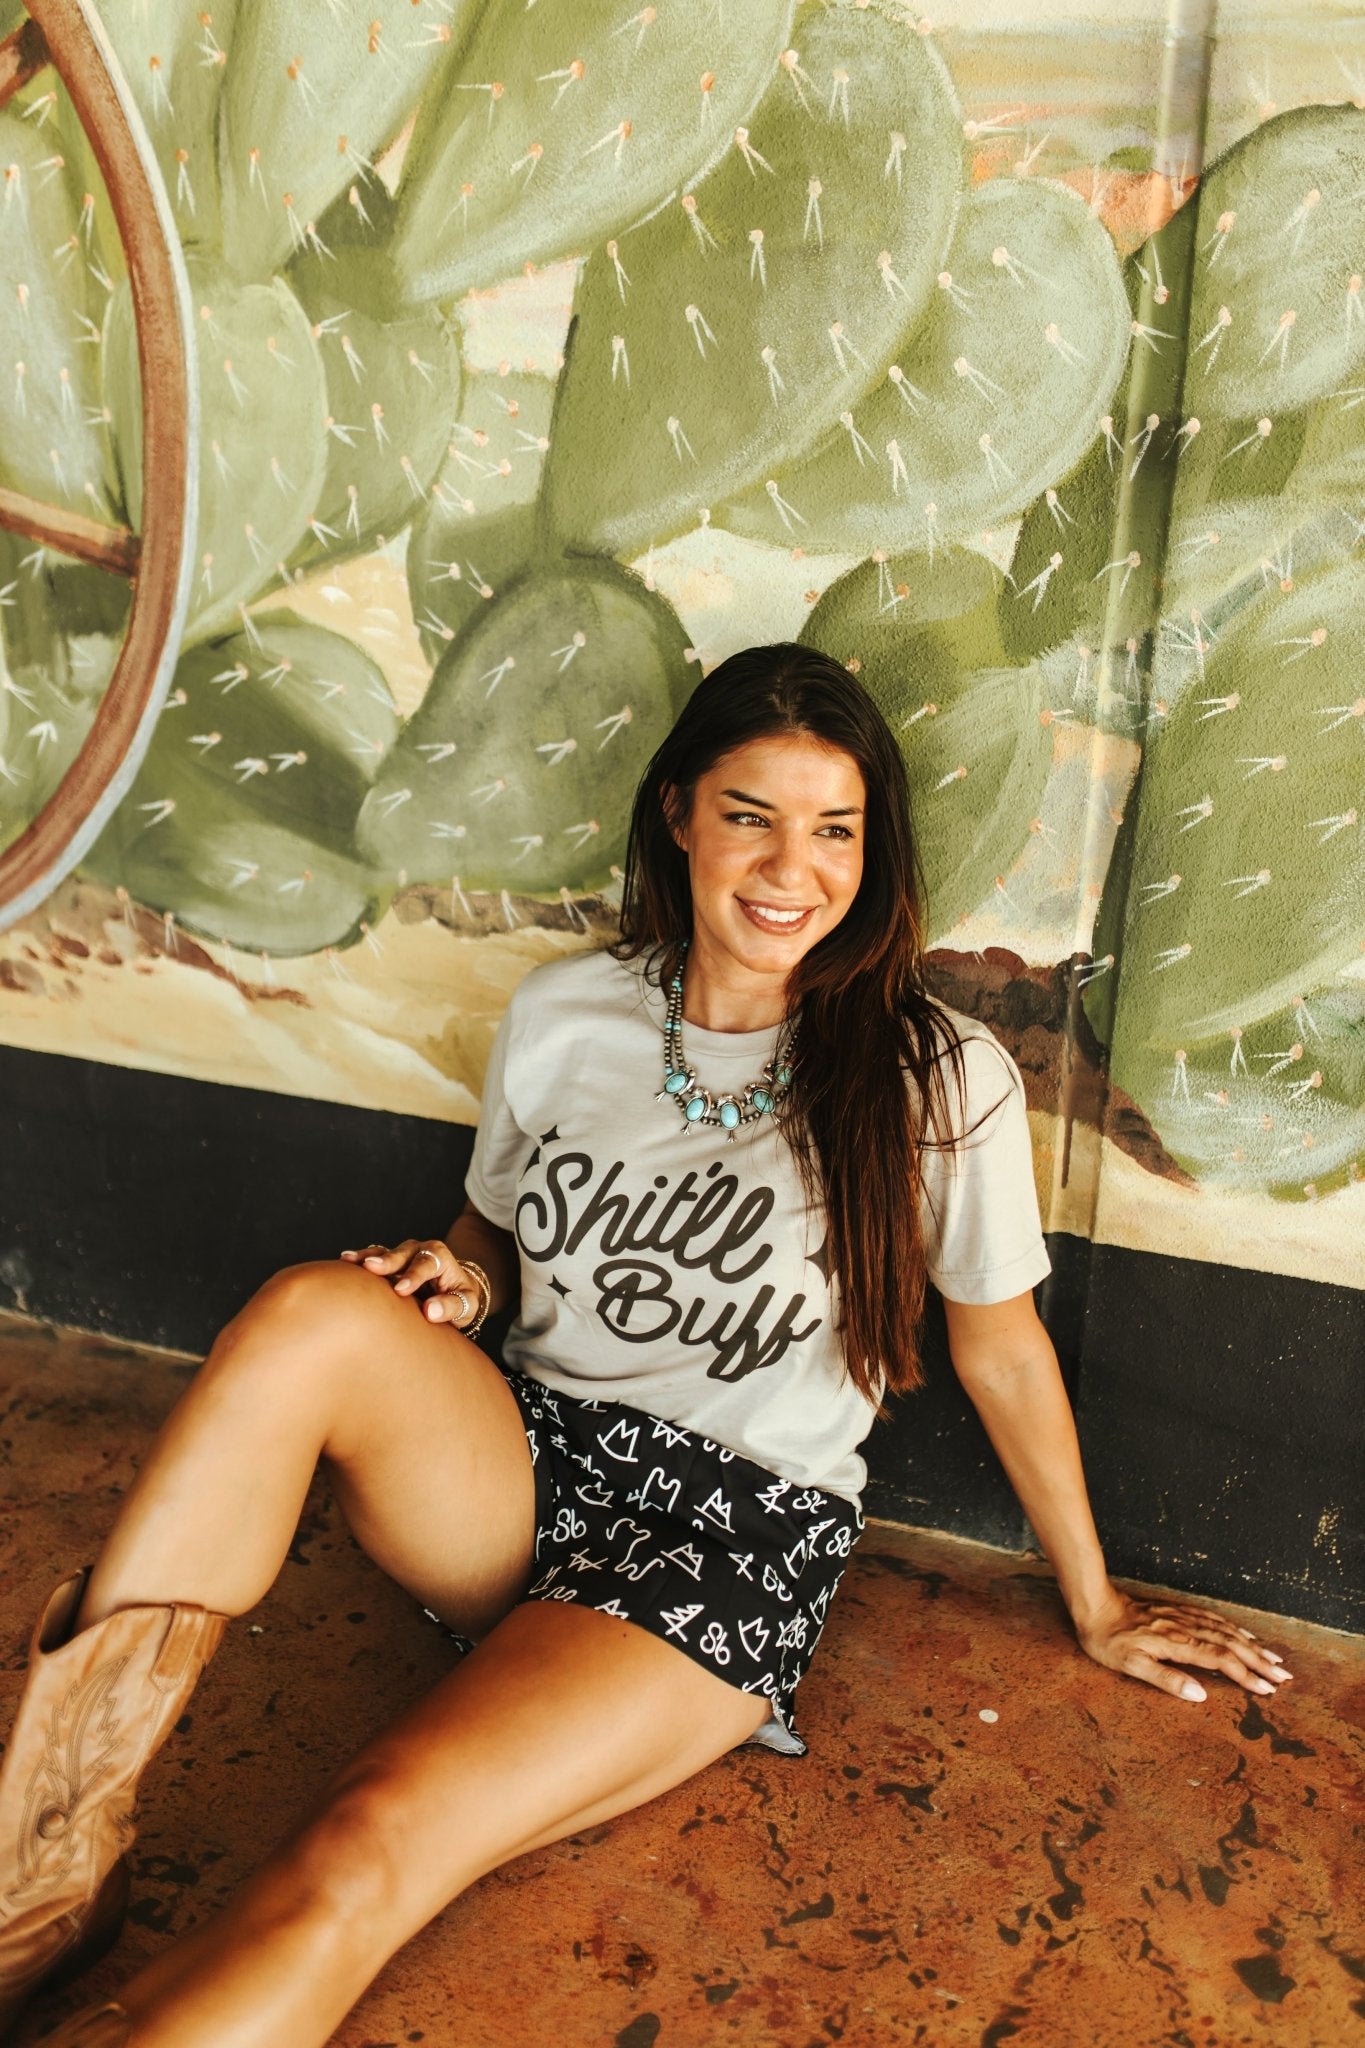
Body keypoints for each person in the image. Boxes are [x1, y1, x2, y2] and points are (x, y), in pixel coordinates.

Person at [0, 644, 1290, 2047]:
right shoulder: (569, 1012)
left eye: (835, 829)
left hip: (724, 1544)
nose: (792, 868)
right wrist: (460, 1280)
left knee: (367, 1840)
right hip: (523, 1468)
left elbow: (1004, 1352)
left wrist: (1095, 1602)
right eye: (751, 816)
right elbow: (492, 1233)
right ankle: (47, 1856)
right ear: (679, 814)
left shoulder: (934, 1077)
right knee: (313, 1309)